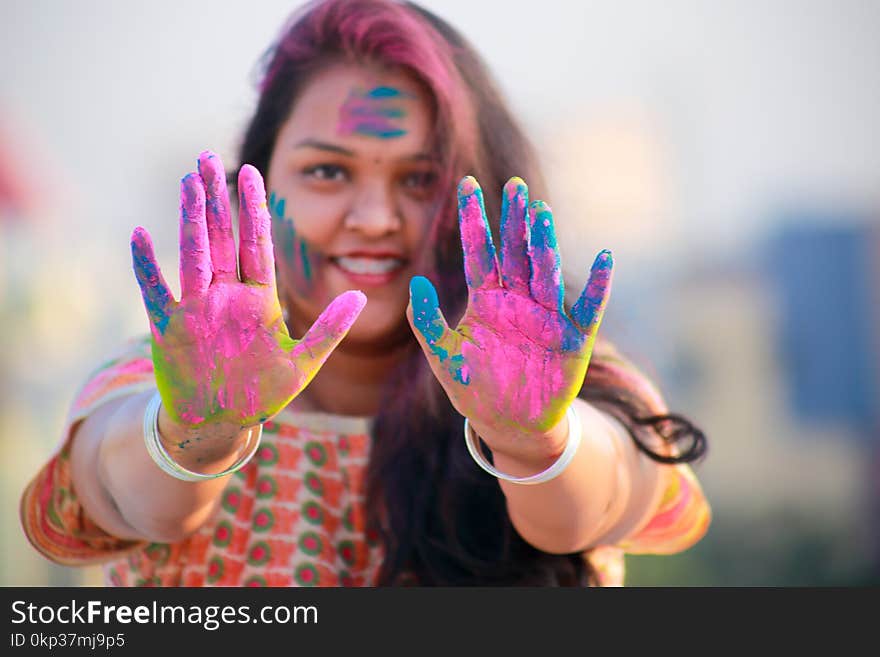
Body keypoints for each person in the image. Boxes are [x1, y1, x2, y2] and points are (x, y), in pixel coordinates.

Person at [20, 0, 710, 587]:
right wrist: (198, 434)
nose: (377, 220)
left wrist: (530, 442)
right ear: (252, 186)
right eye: (327, 171)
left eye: (420, 180)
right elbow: (118, 492)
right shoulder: (160, 383)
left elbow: (606, 493)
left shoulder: (565, 385)